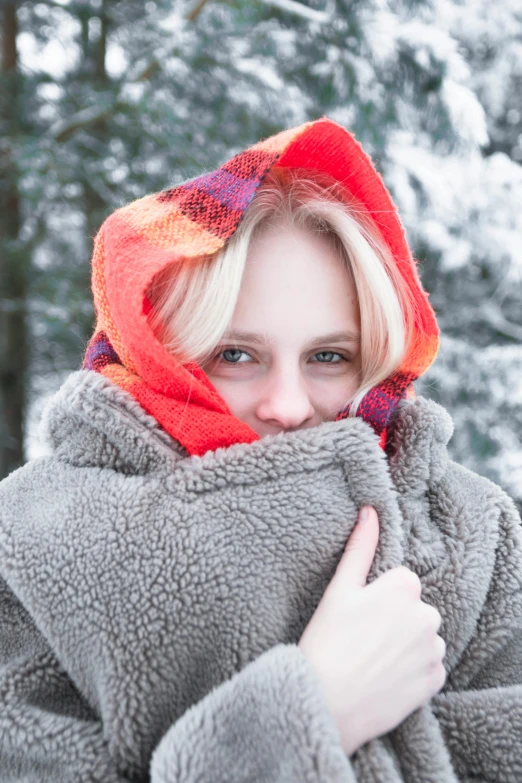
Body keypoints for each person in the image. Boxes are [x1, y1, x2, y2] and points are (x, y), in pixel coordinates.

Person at [0, 117, 520, 783]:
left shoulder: (474, 531)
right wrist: (313, 713)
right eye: (236, 354)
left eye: (328, 355)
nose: (290, 404)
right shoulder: (40, 536)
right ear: (166, 355)